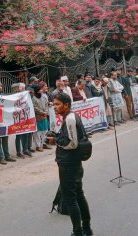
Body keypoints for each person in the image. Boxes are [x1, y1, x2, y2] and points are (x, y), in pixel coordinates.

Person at [51, 93, 93, 236]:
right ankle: (87, 228)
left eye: (57, 104)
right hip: (73, 163)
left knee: (71, 198)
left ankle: (78, 231)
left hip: (69, 164)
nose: (54, 107)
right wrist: (57, 136)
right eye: (54, 104)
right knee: (79, 195)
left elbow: (72, 143)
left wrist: (55, 141)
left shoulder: (69, 118)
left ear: (66, 105)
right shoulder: (70, 117)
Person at [0, 81, 16, 164]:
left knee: (5, 139)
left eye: (1, 86)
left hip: (5, 120)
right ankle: (1, 157)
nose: (0, 88)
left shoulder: (4, 96)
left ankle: (7, 156)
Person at [12, 82, 32, 158]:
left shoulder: (26, 96)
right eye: (21, 87)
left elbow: (28, 106)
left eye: (23, 88)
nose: (22, 89)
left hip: (25, 118)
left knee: (26, 134)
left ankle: (25, 149)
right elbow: (14, 108)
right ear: (18, 88)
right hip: (18, 119)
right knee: (18, 136)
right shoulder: (15, 96)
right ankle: (18, 152)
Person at [31, 85, 51, 152]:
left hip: (44, 116)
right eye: (39, 90)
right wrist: (42, 113)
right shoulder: (33, 98)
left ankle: (43, 144)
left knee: (45, 131)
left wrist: (45, 112)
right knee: (37, 133)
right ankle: (38, 146)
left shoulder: (43, 97)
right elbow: (34, 108)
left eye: (41, 90)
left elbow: (46, 104)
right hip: (38, 117)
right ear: (36, 91)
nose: (41, 91)